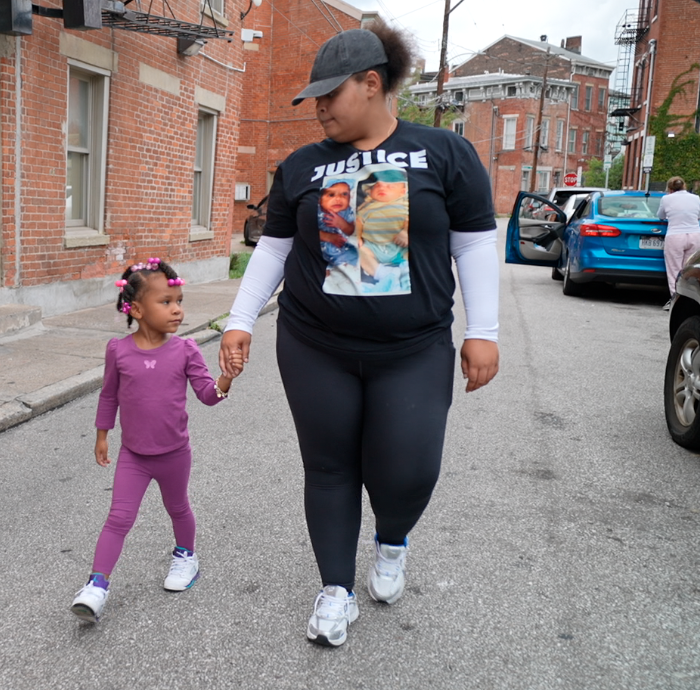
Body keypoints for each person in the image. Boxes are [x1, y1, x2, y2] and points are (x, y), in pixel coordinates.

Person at [219, 24, 500, 648]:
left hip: (413, 349)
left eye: (330, 94)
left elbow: (476, 243)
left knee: (409, 470)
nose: (318, 108)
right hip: (314, 344)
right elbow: (273, 250)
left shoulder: (444, 153)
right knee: (328, 467)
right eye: (314, 97)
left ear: (372, 83)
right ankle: (335, 589)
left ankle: (392, 539)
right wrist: (239, 321)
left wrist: (484, 330)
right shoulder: (303, 165)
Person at [71, 258, 243, 624]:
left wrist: (226, 378)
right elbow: (109, 395)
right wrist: (102, 435)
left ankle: (186, 556)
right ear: (135, 309)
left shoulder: (186, 350)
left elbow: (207, 396)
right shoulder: (118, 350)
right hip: (133, 455)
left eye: (179, 301)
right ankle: (96, 585)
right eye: (165, 302)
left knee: (178, 507)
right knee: (118, 518)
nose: (177, 309)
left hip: (174, 454)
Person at [658, 176, 700, 310]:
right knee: (688, 269)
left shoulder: (666, 199)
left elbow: (661, 216)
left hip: (675, 235)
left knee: (674, 269)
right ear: (684, 186)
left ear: (670, 188)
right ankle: (690, 300)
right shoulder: (696, 198)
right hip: (694, 235)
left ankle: (675, 302)